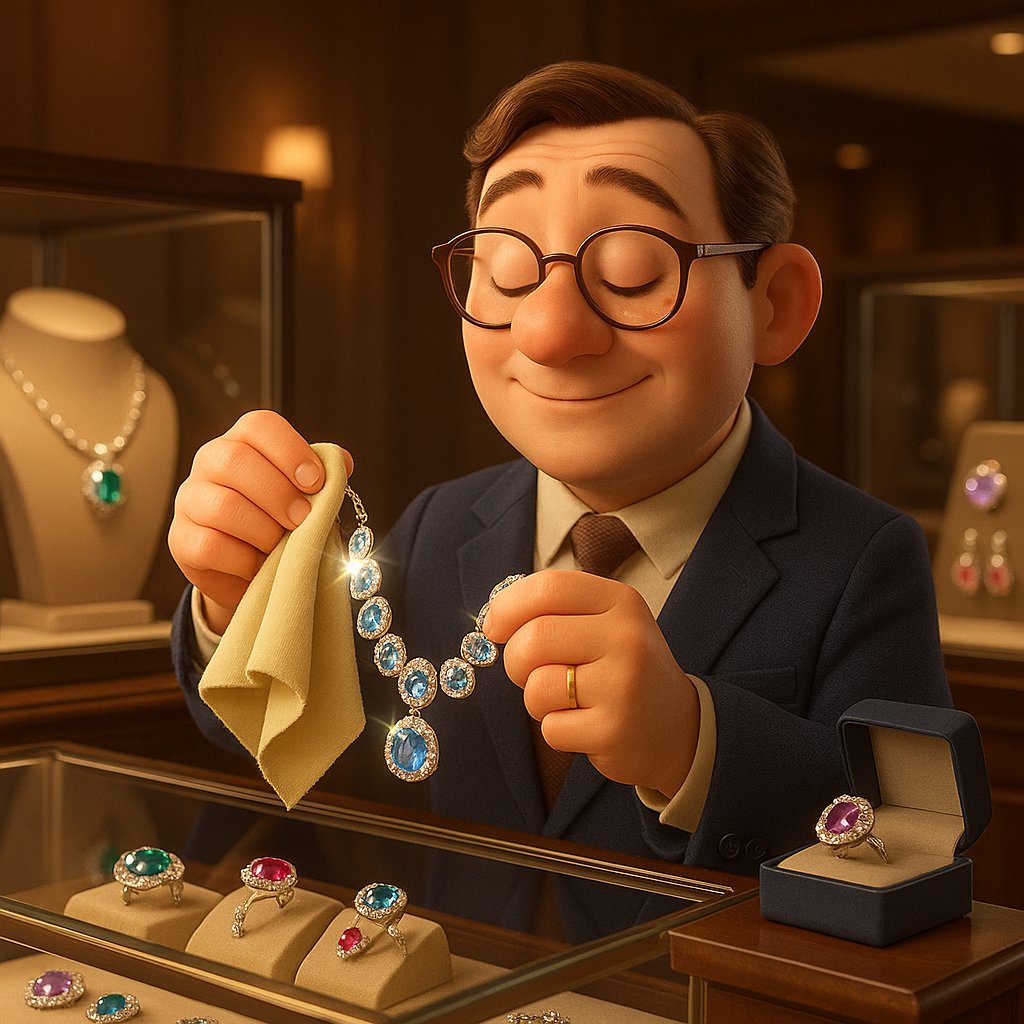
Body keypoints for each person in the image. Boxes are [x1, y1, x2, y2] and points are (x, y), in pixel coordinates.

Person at [168, 61, 951, 894]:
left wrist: (696, 743)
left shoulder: (863, 559)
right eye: (507, 268)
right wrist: (239, 596)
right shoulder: (443, 523)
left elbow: (918, 847)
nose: (548, 330)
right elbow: (308, 735)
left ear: (776, 302)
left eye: (632, 269)